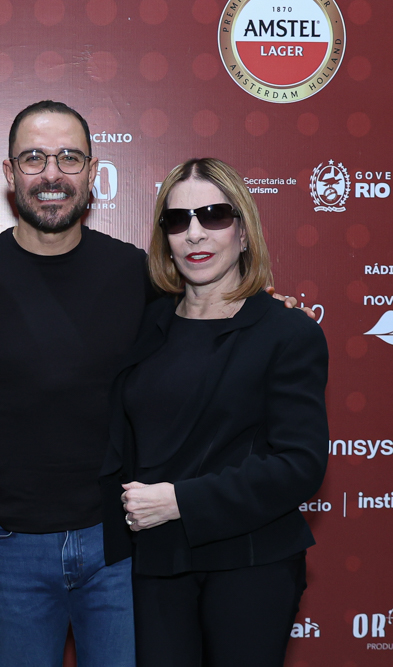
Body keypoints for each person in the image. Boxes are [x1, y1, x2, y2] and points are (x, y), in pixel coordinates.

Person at [0, 103, 310, 666]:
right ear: (9, 173)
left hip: (120, 544)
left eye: (69, 158)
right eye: (33, 158)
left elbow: (213, 316)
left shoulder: (140, 276)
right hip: (10, 545)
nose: (52, 174)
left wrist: (269, 311)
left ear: (93, 172)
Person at [101, 158, 329, 667]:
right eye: (177, 220)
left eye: (214, 216)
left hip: (251, 561)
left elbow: (300, 464)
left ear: (243, 233)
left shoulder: (287, 332)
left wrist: (181, 501)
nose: (194, 234)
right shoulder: (146, 324)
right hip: (157, 561)